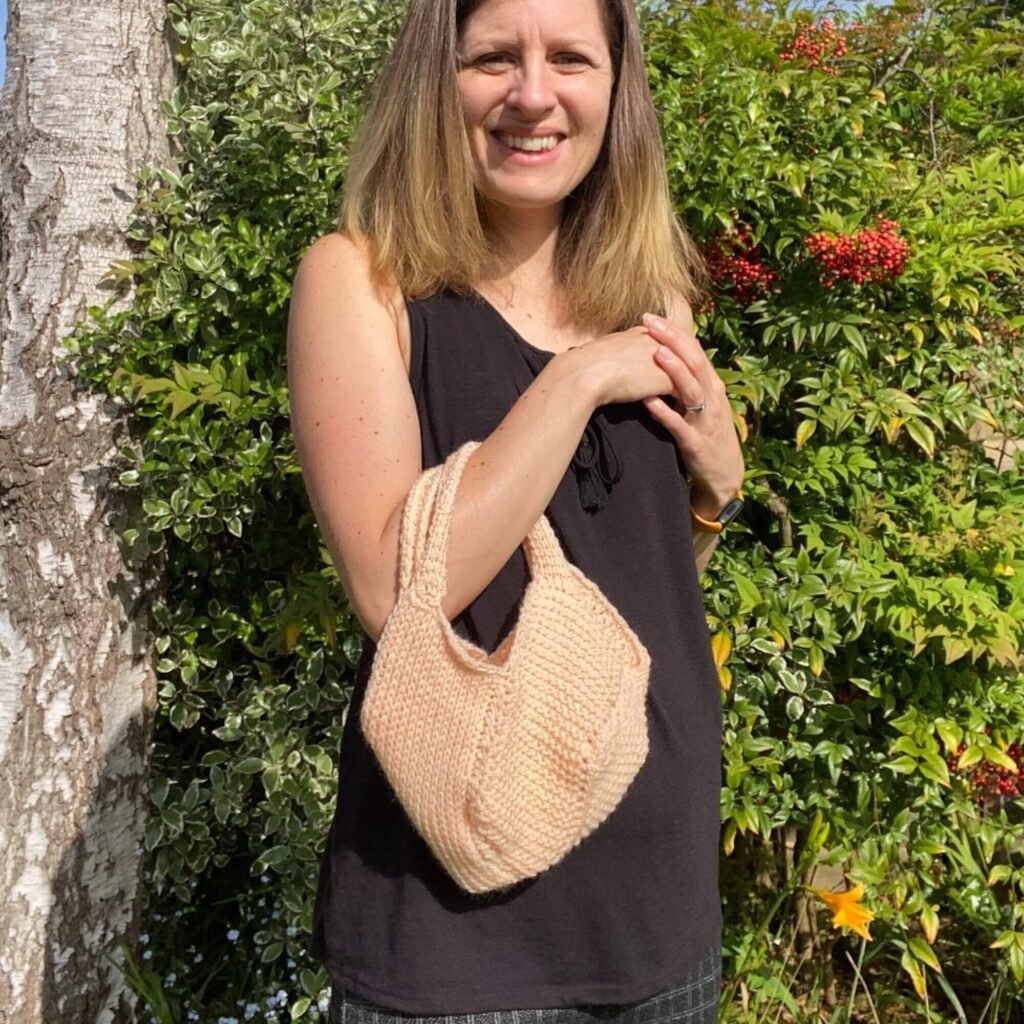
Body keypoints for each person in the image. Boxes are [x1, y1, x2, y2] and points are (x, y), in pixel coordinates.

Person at [287, 0, 745, 1021]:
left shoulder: (649, 298)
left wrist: (714, 490)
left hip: (664, 923)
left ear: (616, 89)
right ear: (432, 82)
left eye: (569, 59)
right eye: (493, 57)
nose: (532, 95)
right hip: (464, 946)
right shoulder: (361, 284)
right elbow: (394, 592)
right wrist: (574, 381)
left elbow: (624, 587)